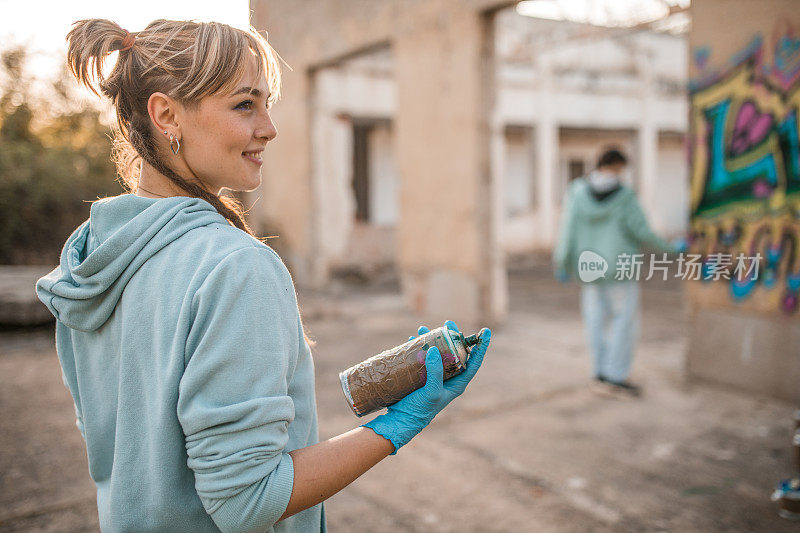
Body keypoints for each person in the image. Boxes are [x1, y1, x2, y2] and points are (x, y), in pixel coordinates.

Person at [35, 19, 491, 533]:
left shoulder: (91, 256)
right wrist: (399, 424)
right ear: (166, 114)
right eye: (244, 104)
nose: (269, 127)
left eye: (265, 103)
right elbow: (248, 500)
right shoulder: (234, 267)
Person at [553, 148, 671, 398]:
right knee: (622, 323)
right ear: (617, 166)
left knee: (594, 322)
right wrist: (671, 249)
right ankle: (615, 376)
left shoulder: (577, 191)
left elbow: (567, 230)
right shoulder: (625, 196)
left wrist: (561, 262)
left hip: (588, 270)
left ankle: (599, 373)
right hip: (620, 270)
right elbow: (642, 232)